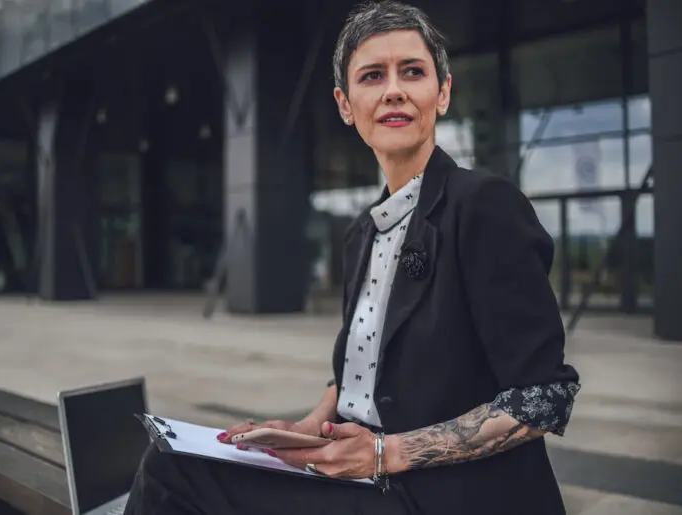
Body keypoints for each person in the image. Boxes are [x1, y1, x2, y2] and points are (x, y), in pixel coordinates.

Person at [123, 1, 580, 514]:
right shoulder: (363, 232)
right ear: (345, 104)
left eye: (413, 71)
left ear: (442, 92)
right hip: (368, 480)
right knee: (177, 456)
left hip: (441, 494)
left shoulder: (484, 207)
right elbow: (358, 374)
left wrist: (386, 452)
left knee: (171, 473)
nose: (394, 90)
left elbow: (543, 397)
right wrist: (299, 429)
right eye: (372, 76)